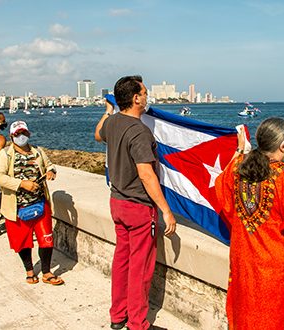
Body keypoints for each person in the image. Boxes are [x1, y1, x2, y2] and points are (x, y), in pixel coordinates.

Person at [214, 117, 284, 330]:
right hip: (273, 264)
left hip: (244, 259)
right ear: (282, 145)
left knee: (245, 312)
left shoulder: (239, 168)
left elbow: (221, 184)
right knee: (273, 318)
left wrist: (240, 150)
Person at [94, 75, 177, 330]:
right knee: (140, 267)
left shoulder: (113, 122)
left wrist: (108, 112)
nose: (147, 96)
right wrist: (166, 210)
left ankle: (118, 315)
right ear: (135, 98)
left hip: (117, 202)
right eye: (144, 92)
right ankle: (138, 323)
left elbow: (98, 135)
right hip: (138, 208)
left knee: (122, 261)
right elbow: (146, 174)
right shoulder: (139, 131)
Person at [0, 120, 64, 286]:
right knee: (22, 242)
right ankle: (30, 271)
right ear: (11, 136)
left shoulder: (37, 152)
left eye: (23, 133)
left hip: (40, 202)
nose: (21, 136)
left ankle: (46, 272)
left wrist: (50, 172)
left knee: (46, 239)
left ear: (29, 134)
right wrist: (21, 184)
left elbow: (50, 165)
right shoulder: (5, 155)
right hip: (17, 207)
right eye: (17, 134)